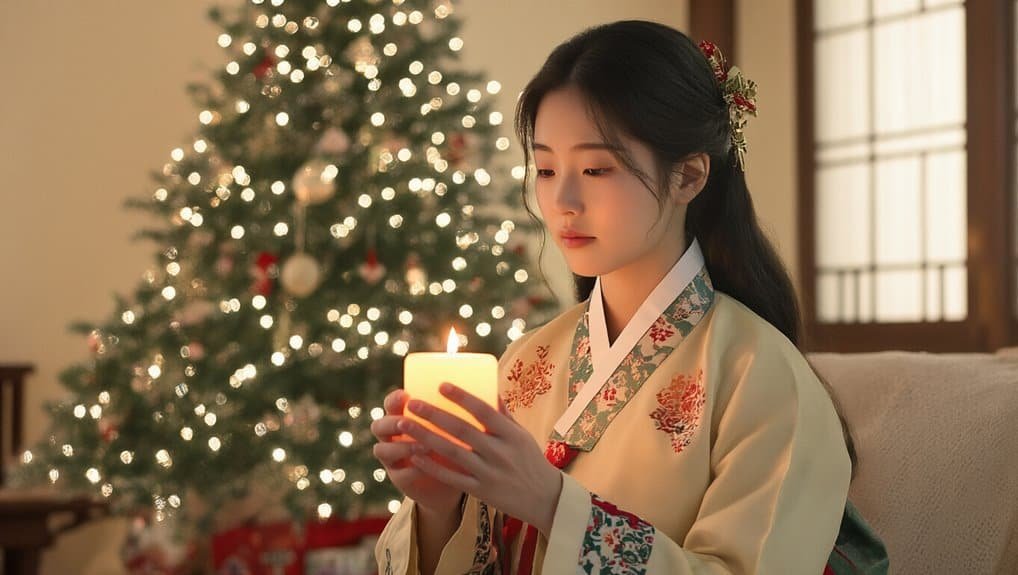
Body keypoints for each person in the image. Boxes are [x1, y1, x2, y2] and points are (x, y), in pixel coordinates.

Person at [371, 20, 888, 575]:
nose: (563, 200)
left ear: (688, 177)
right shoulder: (524, 364)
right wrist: (439, 509)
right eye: (546, 169)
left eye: (596, 168)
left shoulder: (761, 378)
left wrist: (550, 502)